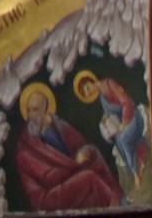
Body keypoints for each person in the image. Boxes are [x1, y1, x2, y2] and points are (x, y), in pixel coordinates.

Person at [11, 81, 120, 210]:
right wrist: (75, 163)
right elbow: (48, 178)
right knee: (89, 177)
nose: (30, 116)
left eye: (35, 110)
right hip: (47, 195)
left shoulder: (57, 126)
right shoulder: (24, 149)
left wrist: (86, 152)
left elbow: (79, 144)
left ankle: (115, 196)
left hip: (69, 176)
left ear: (45, 111)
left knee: (94, 154)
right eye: (28, 110)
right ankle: (117, 207)